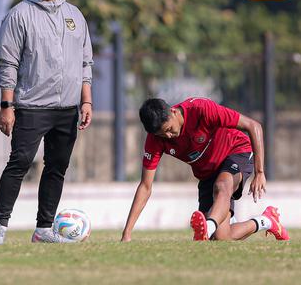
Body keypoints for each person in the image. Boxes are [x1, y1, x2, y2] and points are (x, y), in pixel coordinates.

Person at [0, 0, 94, 245]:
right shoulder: (19, 14)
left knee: (57, 167)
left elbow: (85, 63)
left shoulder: (75, 16)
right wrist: (6, 106)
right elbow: (8, 63)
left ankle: (44, 228)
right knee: (19, 163)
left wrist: (86, 101)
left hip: (67, 109)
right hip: (32, 106)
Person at [121, 97, 289, 242]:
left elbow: (254, 126)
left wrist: (259, 172)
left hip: (236, 150)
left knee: (222, 186)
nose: (169, 137)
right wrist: (126, 233)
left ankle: (207, 228)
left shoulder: (201, 109)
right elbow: (145, 186)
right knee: (222, 237)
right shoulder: (155, 139)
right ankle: (267, 221)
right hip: (208, 173)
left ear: (173, 112)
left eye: (169, 130)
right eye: (162, 135)